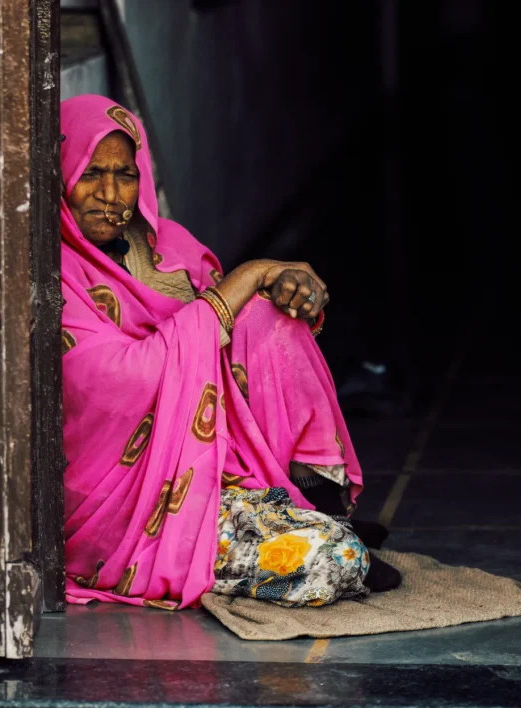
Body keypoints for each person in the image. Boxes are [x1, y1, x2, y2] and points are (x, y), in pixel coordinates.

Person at [61, 95, 401, 610]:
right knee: (336, 562)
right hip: (130, 502)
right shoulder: (53, 270)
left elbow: (228, 348)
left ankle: (310, 506)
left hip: (215, 467)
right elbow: (123, 382)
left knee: (267, 317)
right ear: (60, 173)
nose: (110, 194)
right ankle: (309, 532)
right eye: (91, 173)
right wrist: (248, 276)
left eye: (125, 175)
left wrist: (285, 290)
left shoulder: (169, 247)